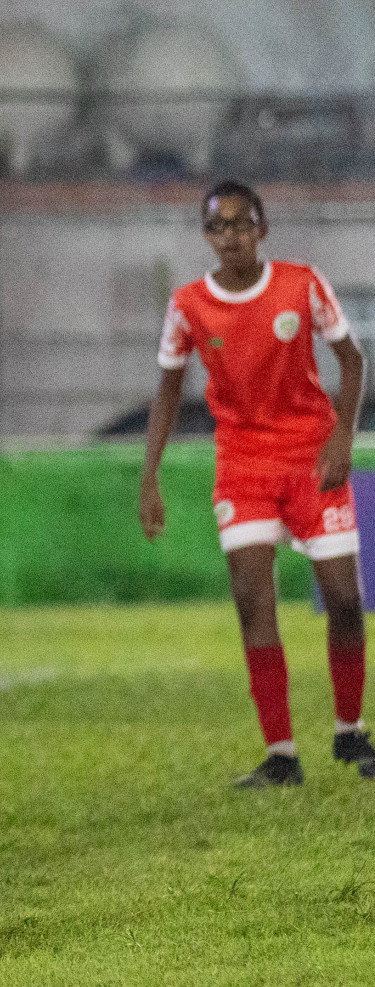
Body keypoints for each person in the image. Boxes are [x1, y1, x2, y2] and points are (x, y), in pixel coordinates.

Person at [141, 179, 375, 788]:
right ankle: (281, 754)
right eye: (219, 227)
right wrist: (150, 476)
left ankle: (350, 734)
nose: (232, 236)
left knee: (347, 602)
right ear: (207, 237)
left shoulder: (302, 283)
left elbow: (352, 359)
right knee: (253, 603)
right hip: (242, 465)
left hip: (310, 458)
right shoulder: (188, 304)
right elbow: (168, 387)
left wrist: (342, 439)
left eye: (243, 224)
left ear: (262, 229)